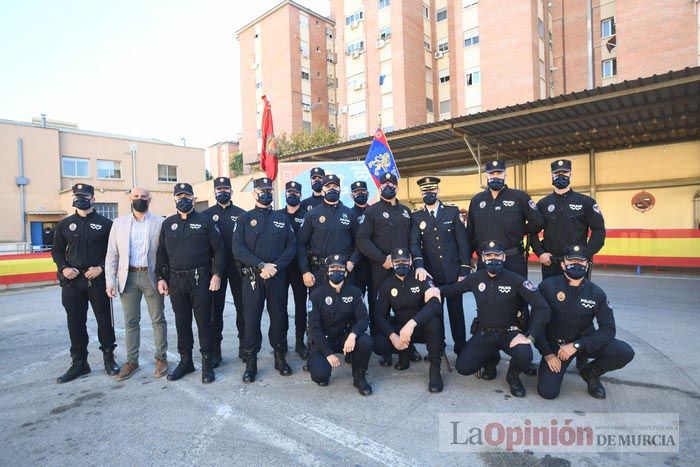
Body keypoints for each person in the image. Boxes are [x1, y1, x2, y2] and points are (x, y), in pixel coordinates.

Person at [425, 241, 551, 397]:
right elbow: (454, 289)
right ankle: (491, 360)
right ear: (483, 258)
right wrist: (437, 290)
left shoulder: (516, 280)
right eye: (489, 256)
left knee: (525, 355)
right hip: (484, 333)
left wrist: (530, 336)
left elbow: (542, 307)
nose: (493, 259)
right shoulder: (475, 278)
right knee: (463, 367)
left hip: (509, 333)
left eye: (497, 255)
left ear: (503, 257)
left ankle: (513, 377)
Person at [466, 160, 544, 376]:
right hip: (486, 263)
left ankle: (522, 358)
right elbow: (470, 234)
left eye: (499, 172)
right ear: (486, 176)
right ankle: (490, 361)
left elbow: (537, 222)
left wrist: (519, 228)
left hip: (513, 260)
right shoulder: (477, 201)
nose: (495, 176)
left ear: (505, 175)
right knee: (487, 306)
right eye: (491, 173)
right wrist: (471, 261)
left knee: (520, 305)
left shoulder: (519, 197)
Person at [535, 244, 634, 400]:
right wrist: (547, 354)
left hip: (583, 344)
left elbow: (608, 329)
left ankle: (591, 372)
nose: (576, 265)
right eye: (571, 261)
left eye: (581, 262)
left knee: (624, 352)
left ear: (587, 265)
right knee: (547, 392)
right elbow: (536, 325)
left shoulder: (596, 293)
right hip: (557, 349)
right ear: (563, 264)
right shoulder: (547, 287)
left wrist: (577, 345)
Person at [155, 183, 225, 384]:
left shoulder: (205, 222)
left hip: (200, 279)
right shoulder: (168, 224)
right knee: (182, 321)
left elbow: (219, 250)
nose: (183, 200)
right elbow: (161, 254)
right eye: (179, 196)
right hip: (176, 281)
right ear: (174, 199)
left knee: (204, 321)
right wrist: (162, 277)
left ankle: (206, 363)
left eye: (187, 196)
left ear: (194, 199)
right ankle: (186, 361)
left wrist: (216, 274)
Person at [51, 183, 120, 383]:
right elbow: (56, 251)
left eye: (85, 195)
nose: (81, 198)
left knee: (104, 320)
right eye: (77, 195)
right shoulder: (64, 224)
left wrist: (101, 267)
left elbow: (114, 252)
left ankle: (109, 358)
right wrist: (64, 268)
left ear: (93, 199)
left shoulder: (106, 224)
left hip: (97, 280)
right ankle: (80, 363)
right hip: (72, 281)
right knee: (75, 322)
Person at [233, 177, 297, 383]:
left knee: (279, 317)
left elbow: (292, 247)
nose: (266, 193)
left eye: (269, 189)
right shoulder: (244, 219)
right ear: (254, 194)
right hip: (253, 277)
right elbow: (238, 249)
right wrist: (261, 265)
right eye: (262, 190)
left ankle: (280, 356)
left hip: (277, 277)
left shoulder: (282, 219)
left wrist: (274, 267)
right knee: (251, 319)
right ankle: (251, 362)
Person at [105, 186, 168, 381]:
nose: (140, 199)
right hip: (128, 278)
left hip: (151, 277)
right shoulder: (119, 223)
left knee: (157, 319)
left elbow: (165, 254)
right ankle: (132, 361)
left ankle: (161, 359)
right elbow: (112, 254)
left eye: (143, 197)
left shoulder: (160, 222)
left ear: (150, 200)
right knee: (130, 322)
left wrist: (164, 277)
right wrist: (110, 281)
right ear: (129, 199)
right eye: (136, 196)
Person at [357, 172, 420, 366]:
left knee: (409, 307)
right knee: (380, 309)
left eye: (391, 184)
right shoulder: (372, 212)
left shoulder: (405, 211)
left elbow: (413, 240)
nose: (387, 186)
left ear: (397, 187)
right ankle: (384, 348)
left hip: (404, 270)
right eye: (384, 183)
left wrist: (414, 261)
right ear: (379, 187)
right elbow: (362, 239)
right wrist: (381, 258)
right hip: (381, 269)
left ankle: (409, 345)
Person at [410, 176, 471, 355]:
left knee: (456, 313)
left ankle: (461, 348)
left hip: (453, 274)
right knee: (435, 313)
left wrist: (464, 269)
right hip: (431, 275)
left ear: (438, 191)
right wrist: (419, 266)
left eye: (431, 190)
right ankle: (439, 347)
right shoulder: (417, 216)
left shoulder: (452, 212)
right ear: (421, 193)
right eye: (425, 191)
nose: (428, 194)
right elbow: (414, 244)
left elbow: (463, 243)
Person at [373, 248, 446, 393]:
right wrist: (392, 336)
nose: (401, 264)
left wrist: (412, 323)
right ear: (392, 264)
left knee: (435, 323)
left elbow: (435, 305)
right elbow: (379, 316)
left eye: (405, 261)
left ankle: (435, 371)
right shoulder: (387, 284)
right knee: (378, 343)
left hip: (420, 328)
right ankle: (404, 354)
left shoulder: (421, 278)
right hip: (400, 330)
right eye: (397, 262)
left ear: (411, 261)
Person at [307, 254, 373, 396]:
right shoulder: (317, 294)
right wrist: (328, 353)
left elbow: (364, 319)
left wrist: (353, 335)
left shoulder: (355, 292)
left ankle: (359, 376)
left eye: (340, 268)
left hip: (345, 338)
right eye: (333, 268)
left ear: (345, 271)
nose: (336, 272)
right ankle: (316, 359)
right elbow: (314, 328)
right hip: (323, 340)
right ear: (327, 271)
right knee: (320, 376)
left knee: (366, 341)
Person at [530, 159, 606, 280]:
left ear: (570, 174)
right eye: (557, 173)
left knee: (578, 297)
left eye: (564, 172)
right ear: (552, 175)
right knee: (549, 296)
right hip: (551, 263)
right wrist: (540, 253)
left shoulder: (586, 202)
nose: (560, 175)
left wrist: (585, 254)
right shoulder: (542, 204)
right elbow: (532, 231)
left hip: (577, 263)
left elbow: (599, 230)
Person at [201, 176, 246, 366]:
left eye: (226, 188)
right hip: (215, 271)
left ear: (231, 191)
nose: (223, 192)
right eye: (219, 189)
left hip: (237, 268)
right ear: (214, 192)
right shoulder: (205, 215)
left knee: (242, 308)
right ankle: (215, 350)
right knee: (215, 310)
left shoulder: (242, 214)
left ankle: (244, 346)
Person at [297, 174, 360, 290]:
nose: (332, 189)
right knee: (319, 307)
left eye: (335, 186)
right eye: (328, 186)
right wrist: (305, 271)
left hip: (344, 270)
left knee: (345, 307)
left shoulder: (350, 214)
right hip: (319, 272)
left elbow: (360, 242)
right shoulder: (312, 215)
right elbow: (301, 244)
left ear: (340, 189)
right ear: (323, 190)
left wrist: (352, 261)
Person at [278, 180, 309, 359]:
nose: (292, 195)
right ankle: (281, 342)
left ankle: (299, 342)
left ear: (300, 195)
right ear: (285, 194)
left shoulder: (307, 216)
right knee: (279, 307)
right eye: (289, 192)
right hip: (281, 269)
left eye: (296, 192)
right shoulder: (277, 215)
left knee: (300, 307)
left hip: (299, 268)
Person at [348, 181, 372, 303]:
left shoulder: (374, 211)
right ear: (352, 195)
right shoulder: (349, 213)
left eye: (363, 192)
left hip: (374, 262)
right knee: (358, 298)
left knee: (376, 299)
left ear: (367, 193)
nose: (360, 194)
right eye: (357, 192)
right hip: (357, 264)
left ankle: (375, 323)